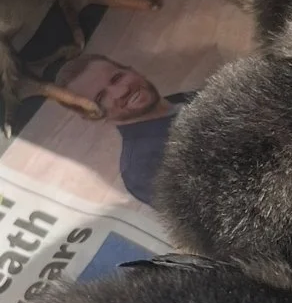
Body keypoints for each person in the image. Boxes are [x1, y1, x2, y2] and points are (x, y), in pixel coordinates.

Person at [54, 54, 196, 205]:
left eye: (117, 78)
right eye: (101, 97)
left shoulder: (187, 98)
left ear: (133, 70)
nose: (122, 91)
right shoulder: (144, 169)